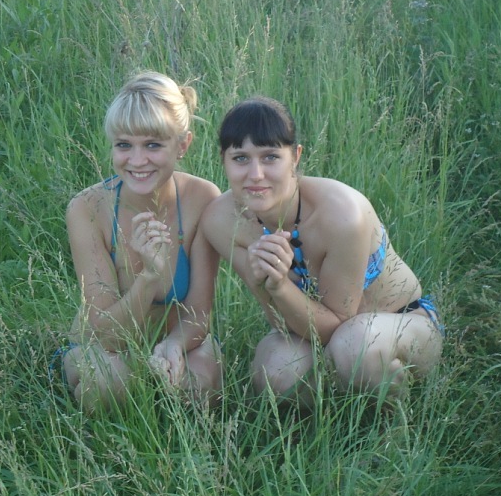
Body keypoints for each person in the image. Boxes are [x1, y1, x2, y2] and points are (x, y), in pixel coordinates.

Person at [201, 96, 443, 407]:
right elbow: (280, 322)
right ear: (223, 160)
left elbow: (337, 325)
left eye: (271, 156)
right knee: (275, 372)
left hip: (400, 325)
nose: (256, 174)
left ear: (295, 156)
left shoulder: (342, 214)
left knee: (354, 347)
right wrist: (269, 285)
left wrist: (280, 285)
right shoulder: (221, 221)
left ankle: (395, 424)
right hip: (312, 333)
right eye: (240, 158)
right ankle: (329, 422)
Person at [61, 71, 222, 411]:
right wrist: (149, 277)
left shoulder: (203, 198)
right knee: (107, 385)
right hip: (106, 347)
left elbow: (199, 314)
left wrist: (174, 346)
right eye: (124, 145)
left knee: (201, 386)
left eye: (152, 145)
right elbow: (105, 334)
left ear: (183, 144)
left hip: (177, 339)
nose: (136, 161)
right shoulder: (87, 208)